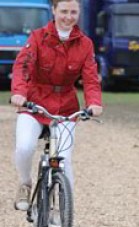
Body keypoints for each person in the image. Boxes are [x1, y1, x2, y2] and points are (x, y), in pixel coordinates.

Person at [10, 0, 102, 211]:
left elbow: (90, 78)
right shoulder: (37, 37)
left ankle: (64, 208)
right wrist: (19, 93)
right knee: (25, 147)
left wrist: (94, 102)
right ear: (53, 11)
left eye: (73, 12)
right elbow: (23, 67)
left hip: (66, 107)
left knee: (64, 158)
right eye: (63, 11)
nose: (68, 16)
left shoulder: (85, 43)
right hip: (34, 104)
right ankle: (25, 183)